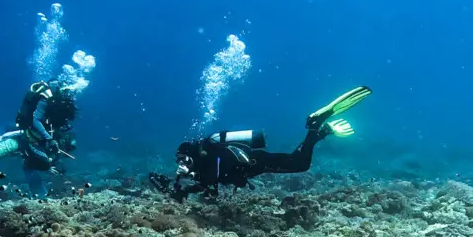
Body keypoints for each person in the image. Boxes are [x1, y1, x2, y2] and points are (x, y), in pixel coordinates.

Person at [149, 86, 371, 202]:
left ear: (193, 155)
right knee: (297, 161)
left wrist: (184, 184)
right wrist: (180, 186)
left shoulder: (208, 158)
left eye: (184, 160)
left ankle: (314, 126)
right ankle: (321, 132)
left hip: (259, 162)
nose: (182, 164)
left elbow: (210, 179)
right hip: (255, 163)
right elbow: (208, 184)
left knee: (300, 164)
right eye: (180, 161)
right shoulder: (205, 159)